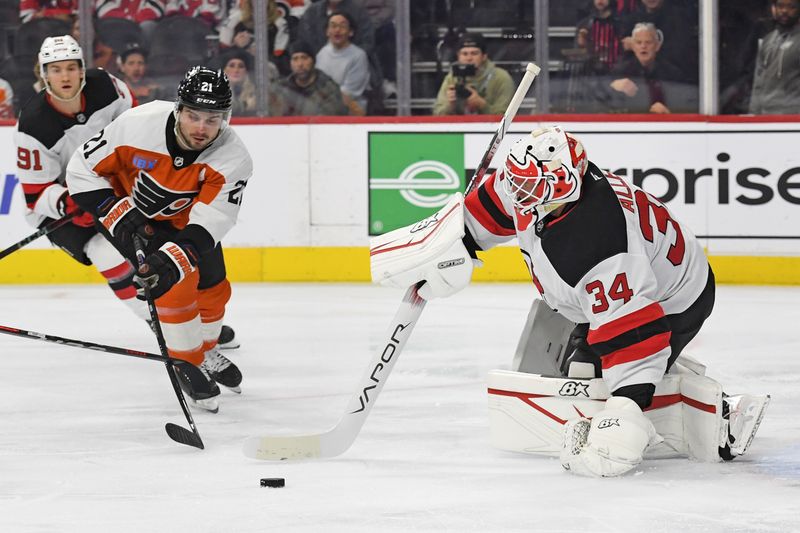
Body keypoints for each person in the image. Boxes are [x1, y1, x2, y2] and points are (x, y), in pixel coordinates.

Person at [371, 126, 766, 477]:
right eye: (517, 183)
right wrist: (448, 244)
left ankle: (718, 414)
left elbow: (634, 339)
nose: (519, 194)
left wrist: (625, 410)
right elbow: (493, 207)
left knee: (595, 377)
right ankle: (665, 373)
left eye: (530, 189)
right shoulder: (539, 183)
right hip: (617, 290)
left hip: (674, 300)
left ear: (565, 186)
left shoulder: (598, 243)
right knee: (574, 365)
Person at [66, 66, 252, 412]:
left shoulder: (233, 158)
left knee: (213, 286)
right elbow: (81, 168)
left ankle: (206, 350)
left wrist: (175, 258)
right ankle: (186, 361)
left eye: (211, 120)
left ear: (224, 118)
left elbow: (215, 217)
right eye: (193, 116)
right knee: (174, 293)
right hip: (131, 219)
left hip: (188, 223)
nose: (201, 128)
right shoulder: (137, 125)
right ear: (178, 109)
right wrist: (117, 212)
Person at [14, 35, 148, 325]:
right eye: (56, 69)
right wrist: (70, 203)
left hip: (110, 186)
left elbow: (136, 129)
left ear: (83, 69)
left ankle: (186, 317)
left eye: (71, 68)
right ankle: (155, 319)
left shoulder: (108, 88)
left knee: (155, 239)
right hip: (60, 206)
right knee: (105, 251)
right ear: (44, 74)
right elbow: (36, 195)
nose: (65, 76)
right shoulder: (33, 123)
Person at [601, 22, 692, 113]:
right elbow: (602, 99)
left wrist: (669, 113)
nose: (643, 46)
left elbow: (685, 105)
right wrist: (612, 86)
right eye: (638, 42)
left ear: (657, 46)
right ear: (633, 46)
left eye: (648, 42)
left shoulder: (673, 74)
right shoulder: (620, 71)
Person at [432, 33, 514, 116]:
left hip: (491, 128)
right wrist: (450, 105)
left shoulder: (501, 78)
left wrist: (481, 105)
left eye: (474, 53)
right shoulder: (452, 78)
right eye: (464, 54)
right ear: (458, 56)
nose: (469, 58)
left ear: (484, 56)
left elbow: (506, 118)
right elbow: (437, 114)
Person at [749, 0, 800, 114]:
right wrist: (753, 113)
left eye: (791, 7)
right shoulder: (768, 40)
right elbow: (758, 83)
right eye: (780, 6)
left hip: (793, 117)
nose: (784, 11)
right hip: (765, 115)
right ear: (773, 8)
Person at [274, 40, 348, 116]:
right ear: (290, 63)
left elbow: (331, 121)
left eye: (304, 58)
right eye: (295, 59)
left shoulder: (329, 89)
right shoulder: (282, 88)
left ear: (313, 61)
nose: (300, 64)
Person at [315, 11, 370, 115]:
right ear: (327, 31)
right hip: (324, 108)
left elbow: (350, 92)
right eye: (333, 26)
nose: (337, 30)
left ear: (351, 32)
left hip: (352, 111)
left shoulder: (358, 56)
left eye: (342, 26)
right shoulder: (322, 53)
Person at [221, 49, 258, 116]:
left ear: (246, 71)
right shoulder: (214, 90)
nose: (236, 70)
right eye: (232, 66)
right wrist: (245, 105)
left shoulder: (257, 91)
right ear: (224, 70)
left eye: (241, 66)